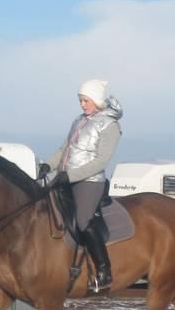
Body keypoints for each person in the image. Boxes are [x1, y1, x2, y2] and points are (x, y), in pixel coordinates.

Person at [39, 79, 123, 292]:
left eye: (85, 100)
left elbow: (101, 162)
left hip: (89, 182)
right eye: (80, 100)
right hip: (66, 177)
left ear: (97, 100)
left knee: (83, 220)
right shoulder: (79, 120)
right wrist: (48, 165)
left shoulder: (109, 125)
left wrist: (71, 176)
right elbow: (65, 149)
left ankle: (104, 272)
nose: (82, 105)